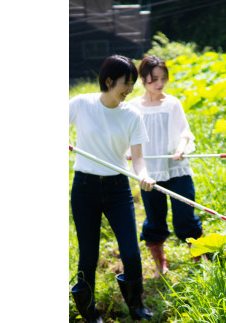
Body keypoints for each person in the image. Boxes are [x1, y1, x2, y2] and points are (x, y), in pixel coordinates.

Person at [69, 55, 156, 322]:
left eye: (132, 83)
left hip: (118, 189)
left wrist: (144, 176)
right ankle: (89, 314)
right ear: (109, 81)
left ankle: (136, 307)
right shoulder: (80, 104)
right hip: (85, 188)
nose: (130, 89)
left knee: (130, 251)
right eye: (126, 83)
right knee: (89, 256)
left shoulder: (132, 115)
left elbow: (138, 158)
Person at [128, 55, 206, 278]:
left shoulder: (172, 103)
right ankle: (160, 262)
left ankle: (199, 257)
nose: (160, 84)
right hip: (149, 171)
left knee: (185, 215)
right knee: (155, 218)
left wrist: (181, 148)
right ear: (143, 79)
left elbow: (184, 131)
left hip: (175, 168)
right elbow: (127, 138)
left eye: (163, 78)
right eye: (154, 79)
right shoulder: (133, 107)